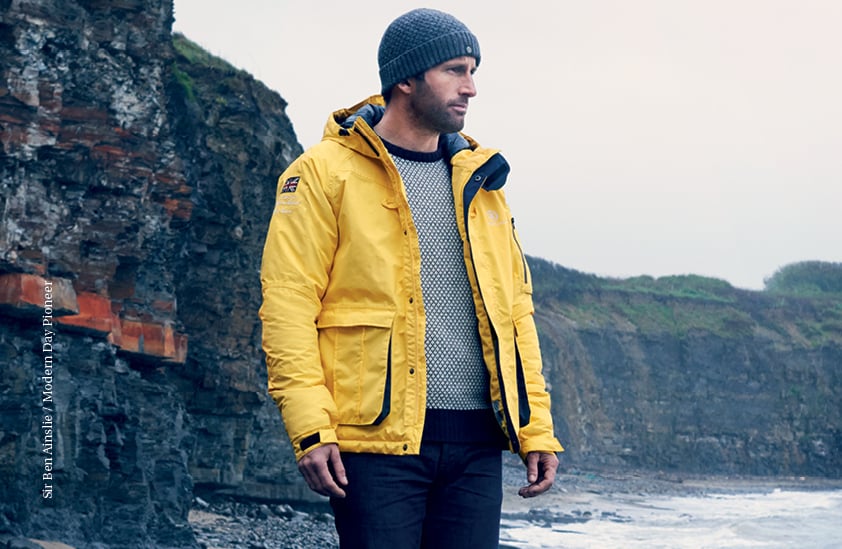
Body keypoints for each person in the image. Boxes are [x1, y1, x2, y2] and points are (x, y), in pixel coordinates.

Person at [259, 8, 563, 548]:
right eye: (455, 70)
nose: (470, 87)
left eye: (473, 72)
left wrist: (535, 425)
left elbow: (515, 315)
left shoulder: (483, 185)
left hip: (476, 447)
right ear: (406, 78)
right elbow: (288, 305)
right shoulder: (322, 173)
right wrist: (311, 428)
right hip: (374, 446)